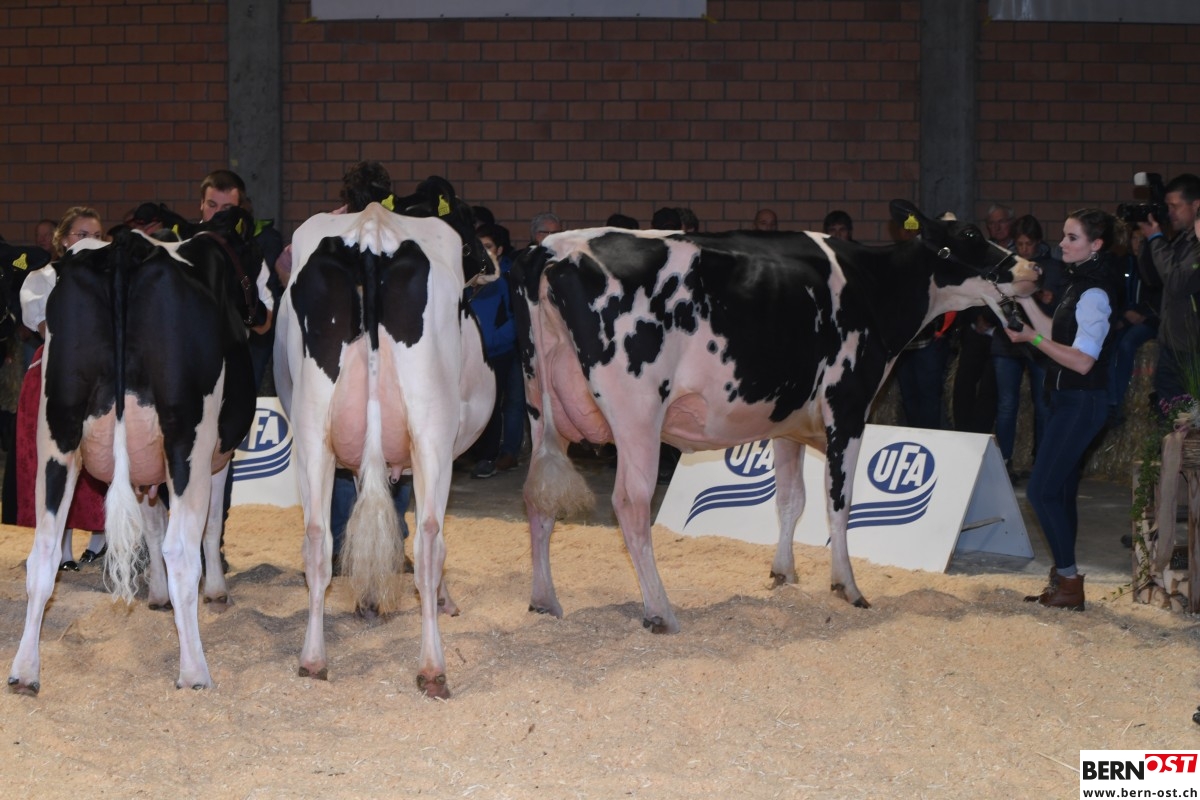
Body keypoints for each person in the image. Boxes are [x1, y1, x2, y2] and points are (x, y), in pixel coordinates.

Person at [1006, 208, 1123, 611]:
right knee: (1060, 490)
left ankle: (1069, 582)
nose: (1062, 244)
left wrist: (1031, 340)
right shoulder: (1079, 284)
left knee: (1040, 491)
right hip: (1067, 400)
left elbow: (1083, 361)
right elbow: (1055, 334)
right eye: (1064, 236)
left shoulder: (1095, 293)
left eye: (1073, 238)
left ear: (1096, 245)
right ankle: (1065, 581)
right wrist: (1026, 303)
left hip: (1082, 402)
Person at [16, 207, 108, 570]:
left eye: (98, 236)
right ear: (62, 240)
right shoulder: (43, 277)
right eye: (82, 234)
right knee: (56, 458)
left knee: (99, 456)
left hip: (103, 379)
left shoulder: (113, 279)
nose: (91, 242)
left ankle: (102, 537)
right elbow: (44, 327)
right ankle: (60, 543)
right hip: (57, 372)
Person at [991, 214, 1064, 480]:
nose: (1024, 249)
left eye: (1029, 244)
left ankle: (1041, 462)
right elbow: (994, 297)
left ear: (1038, 242)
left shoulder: (1052, 267)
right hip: (1007, 342)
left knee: (1043, 404)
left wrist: (1047, 298)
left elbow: (1060, 310)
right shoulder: (1006, 265)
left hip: (1038, 344)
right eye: (1020, 244)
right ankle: (1004, 461)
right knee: (1007, 405)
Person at [467, 223, 525, 478]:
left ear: (500, 250)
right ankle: (475, 452)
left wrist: (493, 341)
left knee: (496, 404)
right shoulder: (466, 276)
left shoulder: (509, 278)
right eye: (478, 246)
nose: (483, 251)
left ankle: (492, 456)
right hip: (470, 353)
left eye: (488, 246)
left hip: (500, 353)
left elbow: (517, 317)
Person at [1137, 173, 1200, 406]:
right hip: (1171, 342)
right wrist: (1149, 241)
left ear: (1196, 205)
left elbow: (1176, 282)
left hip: (1190, 348)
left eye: (1175, 206)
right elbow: (1152, 278)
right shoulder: (1183, 239)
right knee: (1169, 412)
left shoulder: (1196, 245)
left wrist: (1156, 239)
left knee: (1185, 415)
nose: (1170, 212)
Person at [1106, 226, 1159, 427]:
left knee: (1127, 345)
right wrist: (1122, 314)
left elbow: (1158, 298)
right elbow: (1115, 294)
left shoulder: (1155, 264)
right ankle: (1110, 403)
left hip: (1149, 320)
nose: (1138, 243)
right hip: (1126, 317)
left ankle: (1116, 402)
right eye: (1134, 238)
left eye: (1142, 239)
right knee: (1110, 345)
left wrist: (1142, 316)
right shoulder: (1123, 263)